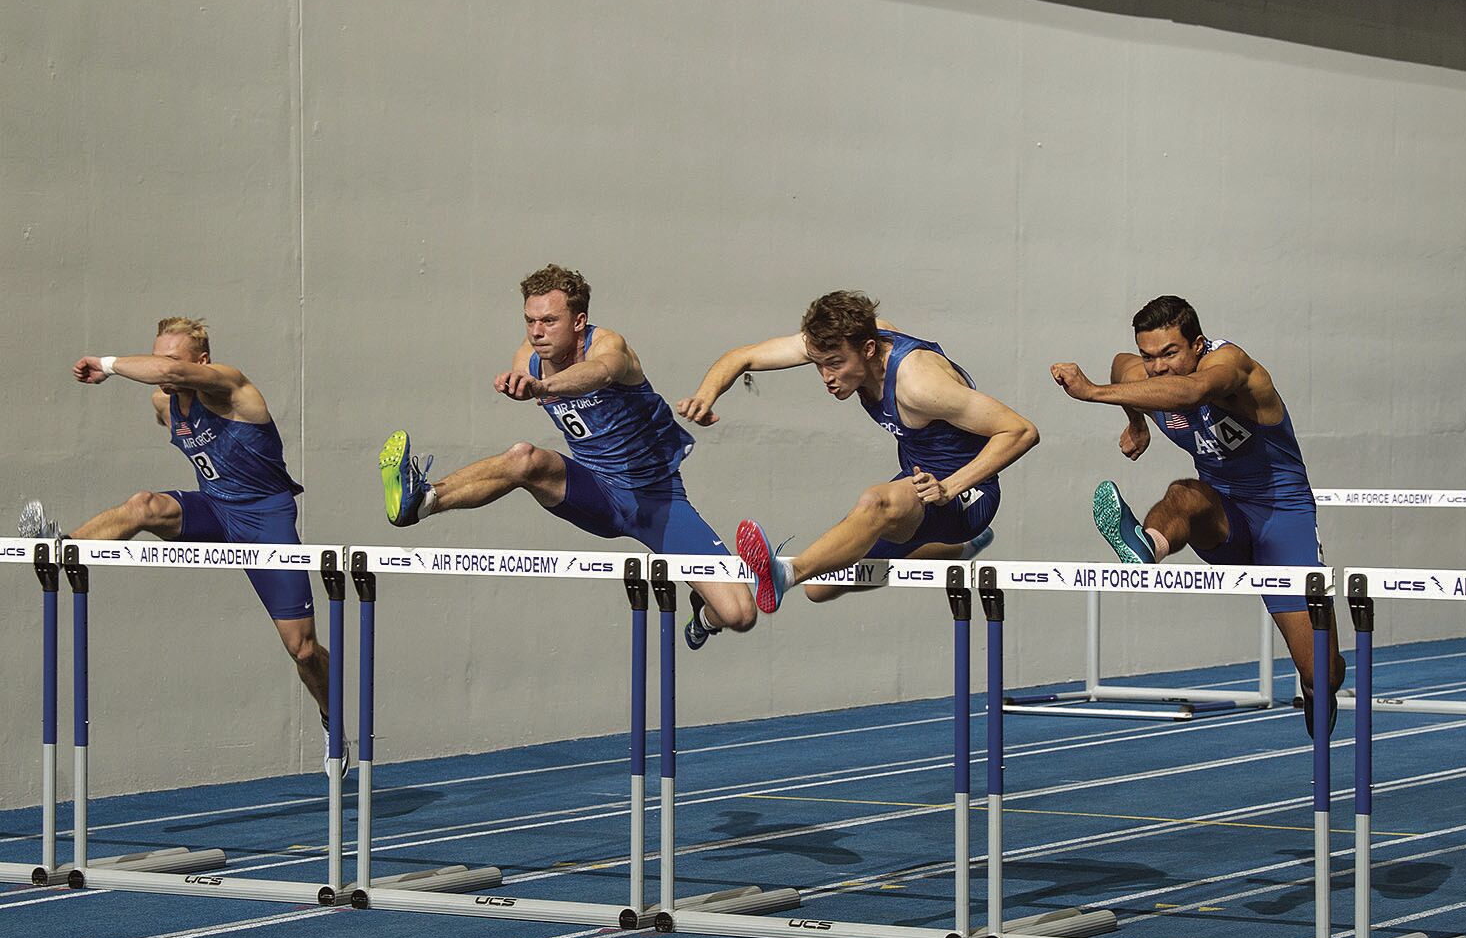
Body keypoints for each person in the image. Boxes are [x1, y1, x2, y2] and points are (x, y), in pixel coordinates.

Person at [378, 264, 755, 648]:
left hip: (657, 500)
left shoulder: (610, 346)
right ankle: (423, 500)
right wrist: (520, 381)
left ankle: (703, 617)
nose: (537, 332)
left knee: (739, 615)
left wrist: (543, 385)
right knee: (524, 458)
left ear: (579, 321)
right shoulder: (528, 355)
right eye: (530, 321)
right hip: (595, 491)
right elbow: (525, 375)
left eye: (549, 321)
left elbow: (601, 373)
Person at [18, 317, 340, 765]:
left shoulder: (231, 386)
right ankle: (61, 547)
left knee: (302, 649)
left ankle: (332, 716)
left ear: (201, 361)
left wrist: (108, 365)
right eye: (155, 355)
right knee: (144, 505)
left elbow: (172, 375)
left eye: (169, 359)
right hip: (214, 509)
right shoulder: (165, 406)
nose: (159, 368)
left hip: (265, 518)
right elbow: (167, 383)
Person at [1050, 294, 1342, 734]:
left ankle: (1323, 682)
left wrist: (1091, 393)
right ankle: (1148, 545)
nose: (1158, 367)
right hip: (1221, 512)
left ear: (1197, 345)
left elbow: (1190, 394)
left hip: (1282, 517)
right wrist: (1136, 423)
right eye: (1150, 357)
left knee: (1321, 673)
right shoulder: (1143, 372)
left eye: (1170, 353)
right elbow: (1120, 364)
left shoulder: (1233, 366)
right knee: (1184, 494)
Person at [678, 290, 1035, 613]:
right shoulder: (853, 338)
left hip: (966, 495)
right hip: (917, 490)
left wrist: (949, 487)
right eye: (818, 364)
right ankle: (958, 551)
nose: (826, 377)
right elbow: (745, 357)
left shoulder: (921, 386)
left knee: (874, 503)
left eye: (835, 364)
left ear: (868, 349)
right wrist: (706, 395)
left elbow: (1020, 431)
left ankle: (784, 573)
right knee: (819, 587)